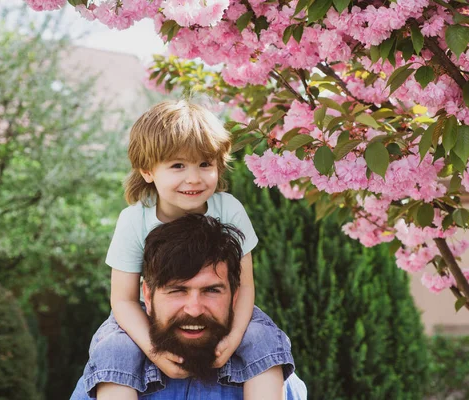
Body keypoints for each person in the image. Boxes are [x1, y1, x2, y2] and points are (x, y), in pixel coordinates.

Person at [80, 99, 293, 399]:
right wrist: (153, 352)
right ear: (148, 170)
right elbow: (124, 300)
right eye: (178, 165)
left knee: (263, 338)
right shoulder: (134, 219)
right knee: (115, 349)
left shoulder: (229, 209)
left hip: (224, 308)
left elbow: (244, 287)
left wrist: (233, 339)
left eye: (205, 164)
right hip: (147, 312)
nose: (193, 178)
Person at [71, 214, 307, 399]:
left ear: (235, 295)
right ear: (148, 297)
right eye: (177, 290)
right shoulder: (106, 376)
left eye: (211, 290)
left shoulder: (273, 379)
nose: (194, 309)